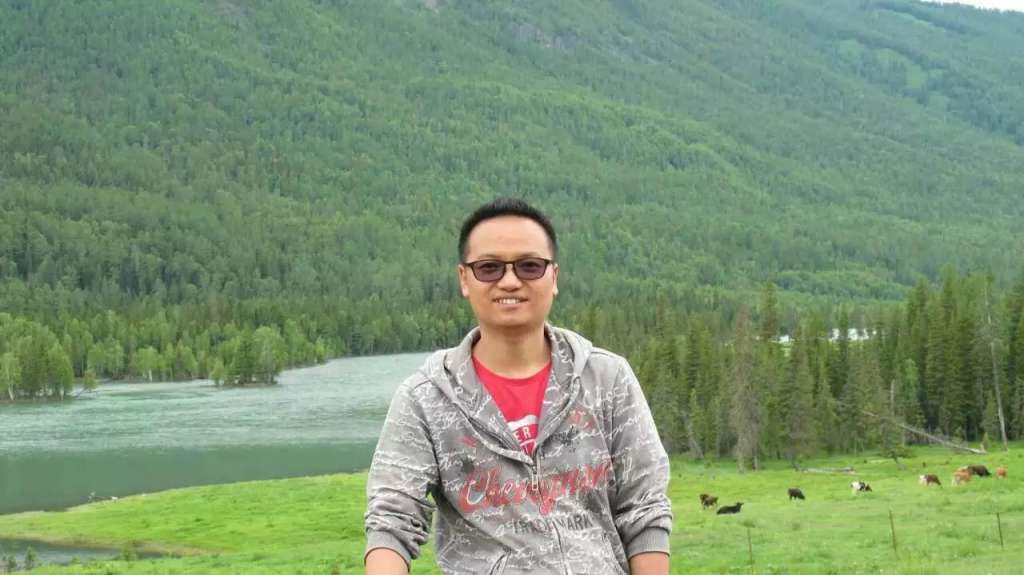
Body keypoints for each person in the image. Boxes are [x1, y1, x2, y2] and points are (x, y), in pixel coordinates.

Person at [364, 198, 672, 575]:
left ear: (553, 277)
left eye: (529, 266)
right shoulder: (425, 399)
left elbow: (644, 508)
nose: (509, 281)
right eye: (489, 268)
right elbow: (392, 522)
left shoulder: (606, 378)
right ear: (464, 279)